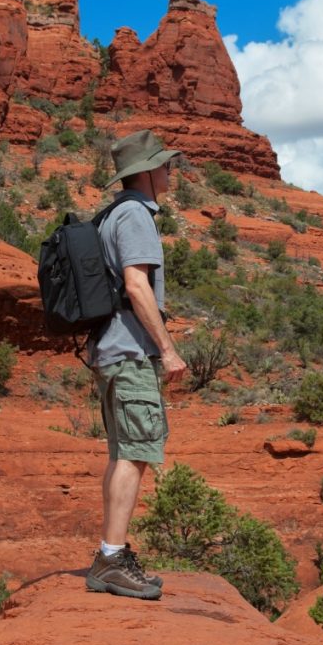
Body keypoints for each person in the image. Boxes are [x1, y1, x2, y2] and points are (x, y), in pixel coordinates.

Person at [85, 130, 187, 600]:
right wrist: (166, 349)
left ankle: (112, 552)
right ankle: (110, 558)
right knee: (137, 452)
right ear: (144, 172)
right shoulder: (135, 215)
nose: (171, 170)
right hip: (130, 351)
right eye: (164, 164)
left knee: (124, 451)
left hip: (111, 349)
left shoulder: (113, 214)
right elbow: (136, 286)